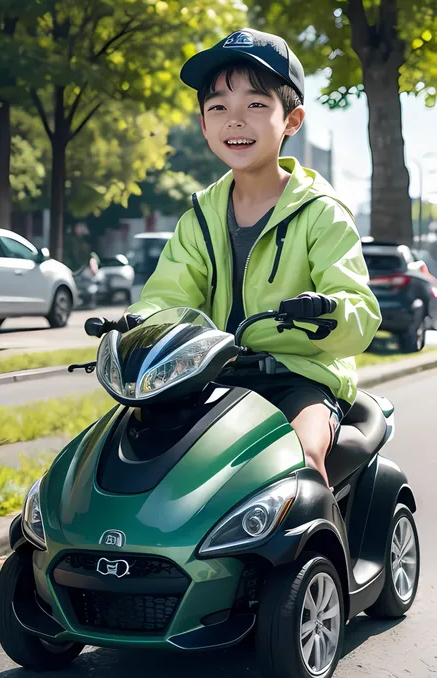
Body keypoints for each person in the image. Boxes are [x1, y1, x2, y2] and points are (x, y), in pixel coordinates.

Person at [121, 28, 382, 488]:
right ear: (204, 124)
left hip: (299, 378)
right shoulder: (198, 218)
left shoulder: (323, 213)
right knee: (135, 450)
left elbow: (357, 308)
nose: (234, 121)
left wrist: (325, 311)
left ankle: (321, 554)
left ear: (292, 120)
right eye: (218, 107)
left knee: (300, 461)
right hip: (210, 375)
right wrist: (138, 323)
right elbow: (168, 294)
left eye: (256, 105)